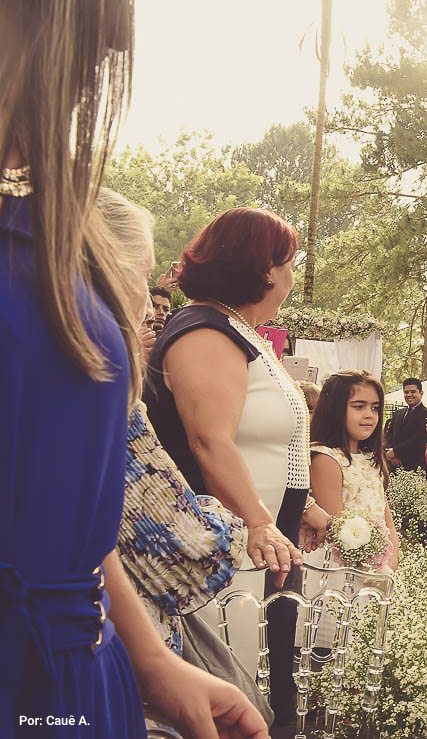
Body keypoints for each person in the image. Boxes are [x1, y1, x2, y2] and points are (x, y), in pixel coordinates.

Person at [0, 0, 268, 735]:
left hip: (85, 670)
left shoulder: (56, 211)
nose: (118, 32)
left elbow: (73, 500)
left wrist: (149, 657)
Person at [144, 207, 330, 734]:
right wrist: (259, 519)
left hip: (259, 549)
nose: (292, 277)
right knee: (228, 696)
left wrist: (300, 508)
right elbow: (210, 438)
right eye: (289, 263)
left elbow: (271, 438)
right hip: (223, 556)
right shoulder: (205, 330)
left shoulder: (237, 329)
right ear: (262, 269)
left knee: (259, 685)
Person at [100, 188, 247, 660]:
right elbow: (188, 553)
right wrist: (239, 522)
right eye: (144, 275)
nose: (150, 304)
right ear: (109, 271)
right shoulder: (99, 390)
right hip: (106, 648)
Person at [309, 372, 400, 573]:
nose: (369, 414)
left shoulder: (371, 457)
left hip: (377, 566)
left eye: (375, 408)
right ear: (334, 409)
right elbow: (335, 525)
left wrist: (390, 561)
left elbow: (387, 518)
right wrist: (372, 566)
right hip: (340, 566)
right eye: (359, 406)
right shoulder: (326, 457)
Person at [385, 377, 427, 472]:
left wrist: (395, 452)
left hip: (414, 467)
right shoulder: (398, 413)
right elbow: (388, 436)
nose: (409, 395)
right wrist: (391, 455)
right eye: (406, 392)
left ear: (421, 393)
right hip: (393, 466)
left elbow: (418, 440)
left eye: (413, 392)